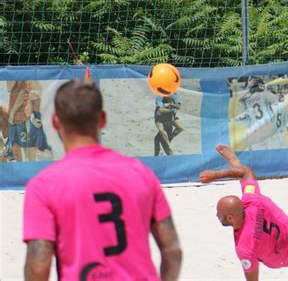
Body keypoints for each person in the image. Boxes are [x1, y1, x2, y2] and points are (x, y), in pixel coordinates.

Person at [23, 79, 182, 280]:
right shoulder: (141, 173)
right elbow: (172, 252)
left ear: (55, 122)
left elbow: (39, 264)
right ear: (103, 119)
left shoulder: (43, 185)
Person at [199, 144, 288, 281]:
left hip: (280, 254)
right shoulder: (250, 202)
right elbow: (246, 172)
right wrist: (218, 173)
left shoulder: (244, 247)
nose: (217, 215)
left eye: (219, 214)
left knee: (284, 257)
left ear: (230, 217)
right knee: (257, 196)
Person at [237, 77, 280, 150]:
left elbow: (239, 98)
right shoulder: (264, 94)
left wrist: (249, 88)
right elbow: (279, 99)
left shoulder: (246, 100)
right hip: (269, 130)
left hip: (256, 134)